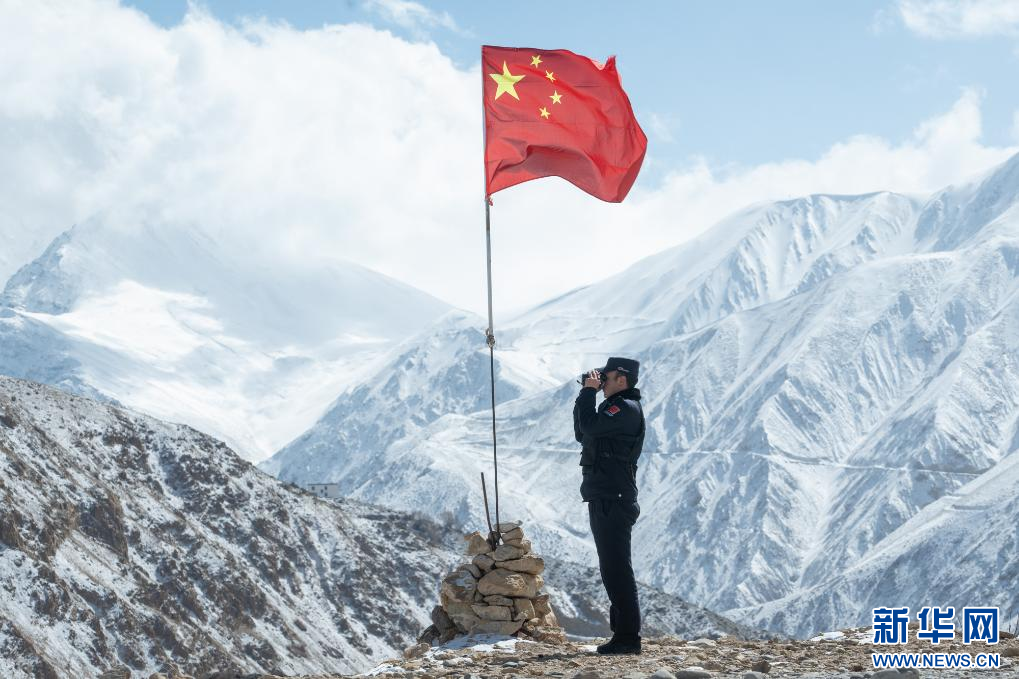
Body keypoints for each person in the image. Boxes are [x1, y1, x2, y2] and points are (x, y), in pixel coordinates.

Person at [573, 356, 645, 655]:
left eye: (607, 376)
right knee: (611, 568)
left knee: (617, 568)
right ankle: (623, 636)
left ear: (622, 379)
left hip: (613, 498)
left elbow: (589, 427)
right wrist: (585, 394)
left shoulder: (624, 408)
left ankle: (628, 637)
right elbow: (582, 432)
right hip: (605, 496)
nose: (601, 381)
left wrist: (588, 392)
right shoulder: (612, 408)